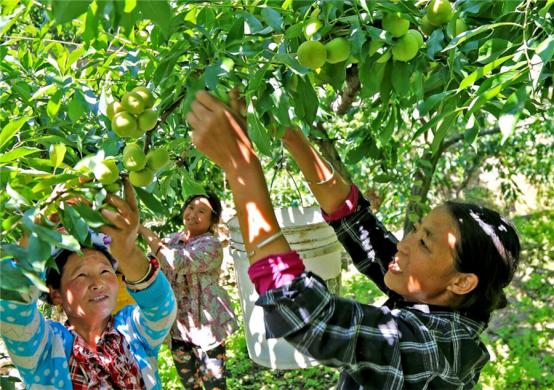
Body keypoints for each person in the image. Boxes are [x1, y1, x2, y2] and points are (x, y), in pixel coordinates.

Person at [185, 90, 521, 389]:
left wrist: (240, 167)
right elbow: (358, 224)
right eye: (416, 230)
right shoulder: (436, 294)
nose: (403, 242)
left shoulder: (439, 350)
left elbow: (311, 318)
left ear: (462, 282)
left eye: (424, 243)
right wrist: (287, 132)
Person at [0, 178, 177, 390]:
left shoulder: (132, 330)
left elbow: (161, 309)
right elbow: (14, 305)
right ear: (55, 293)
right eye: (81, 275)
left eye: (104, 270)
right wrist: (39, 228)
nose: (98, 283)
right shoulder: (45, 349)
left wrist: (129, 254)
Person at [138, 191, 239, 390]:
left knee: (214, 385)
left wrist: (140, 229)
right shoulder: (171, 239)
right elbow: (148, 264)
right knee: (189, 384)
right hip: (178, 328)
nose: (193, 214)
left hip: (206, 328)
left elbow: (177, 261)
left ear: (212, 221)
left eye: (201, 211)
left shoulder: (211, 245)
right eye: (191, 207)